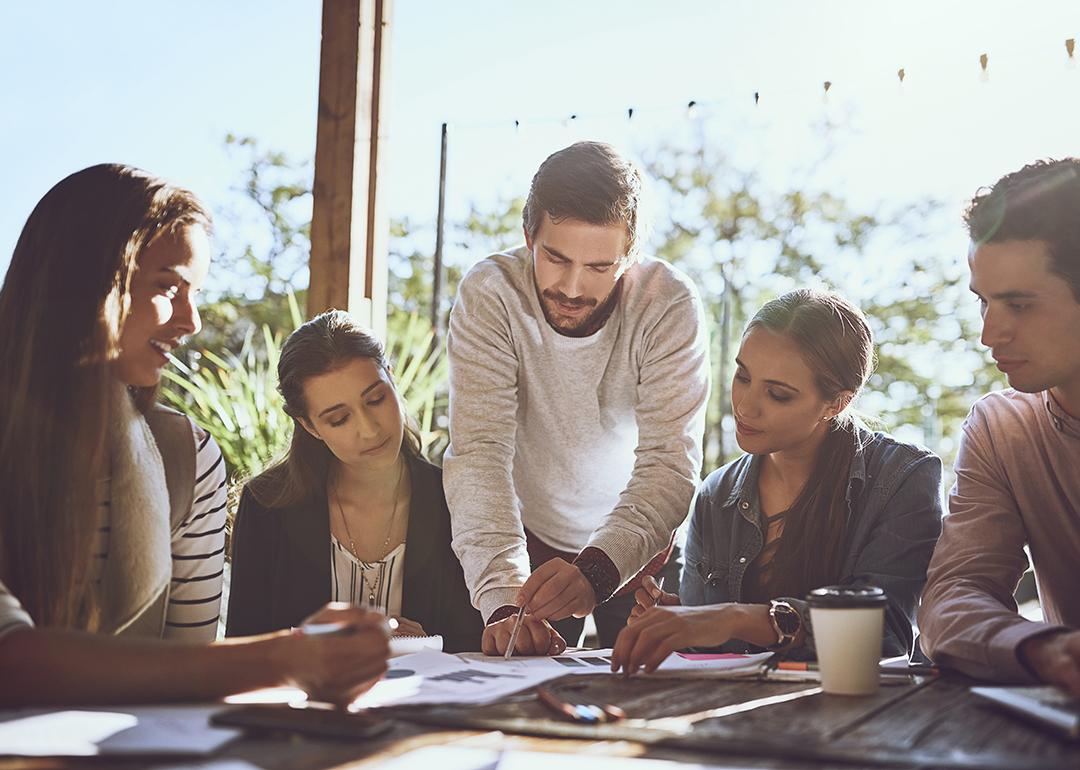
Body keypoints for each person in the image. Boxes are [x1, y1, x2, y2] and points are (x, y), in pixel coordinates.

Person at [0, 165, 388, 707]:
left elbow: (190, 673)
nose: (192, 320)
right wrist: (284, 658)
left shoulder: (189, 457)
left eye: (196, 293)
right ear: (84, 280)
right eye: (168, 287)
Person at [444, 141, 710, 655]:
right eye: (555, 257)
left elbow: (669, 462)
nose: (571, 288)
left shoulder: (668, 304)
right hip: (528, 545)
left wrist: (597, 570)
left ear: (630, 257)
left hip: (641, 546)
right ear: (529, 236)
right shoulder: (492, 293)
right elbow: (479, 453)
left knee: (655, 692)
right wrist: (501, 598)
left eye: (599, 267)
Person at [611, 290, 943, 675]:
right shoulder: (716, 495)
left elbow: (885, 635)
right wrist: (681, 625)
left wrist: (735, 618)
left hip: (858, 705)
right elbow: (720, 650)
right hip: (738, 705)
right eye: (742, 376)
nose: (745, 406)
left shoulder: (902, 478)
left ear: (836, 403)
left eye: (778, 394)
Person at [227, 310, 483, 651]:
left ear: (391, 378)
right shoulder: (266, 505)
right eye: (339, 419)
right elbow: (243, 648)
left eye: (376, 399)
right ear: (309, 426)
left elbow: (484, 641)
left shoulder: (453, 498)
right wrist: (315, 647)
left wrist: (428, 647)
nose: (369, 429)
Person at [918, 159, 1080, 695]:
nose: (989, 334)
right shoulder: (1002, 429)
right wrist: (1041, 649)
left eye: (1019, 304)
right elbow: (953, 594)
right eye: (983, 302)